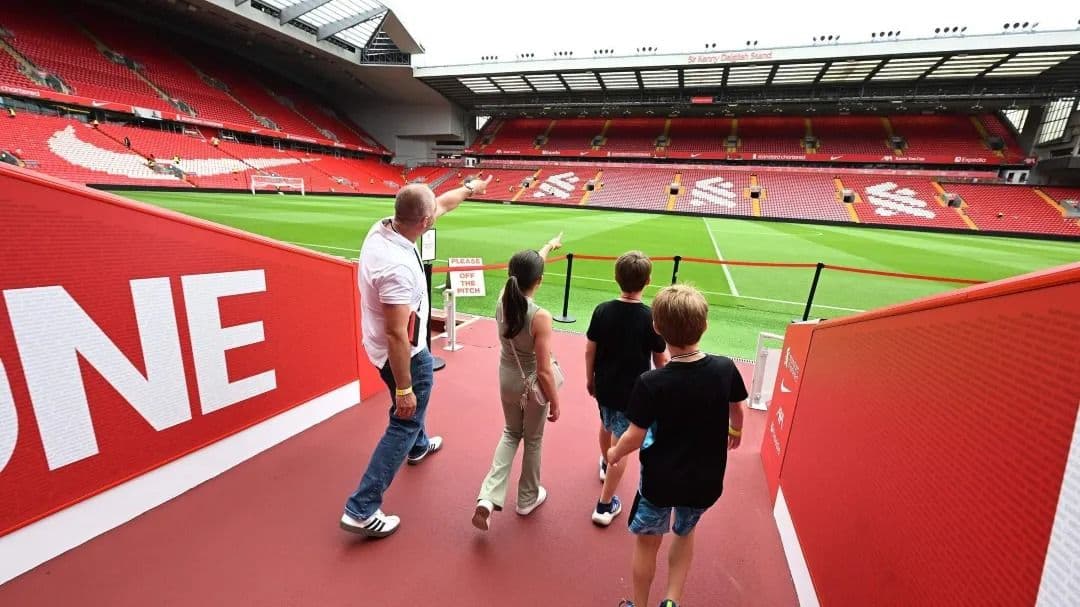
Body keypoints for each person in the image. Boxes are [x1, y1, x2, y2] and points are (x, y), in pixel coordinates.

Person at [340, 175, 492, 539]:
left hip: (380, 345)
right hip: (404, 355)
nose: (437, 214)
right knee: (405, 417)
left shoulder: (383, 229)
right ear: (424, 223)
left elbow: (442, 203)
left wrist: (472, 189)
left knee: (412, 418)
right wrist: (404, 387)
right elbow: (397, 334)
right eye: (432, 214)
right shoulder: (398, 269)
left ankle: (419, 446)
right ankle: (361, 508)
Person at [607, 284, 748, 607]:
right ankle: (671, 601)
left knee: (647, 543)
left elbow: (635, 436)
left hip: (659, 482)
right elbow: (738, 408)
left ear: (657, 328)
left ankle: (640, 604)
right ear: (705, 325)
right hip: (704, 481)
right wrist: (735, 432)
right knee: (684, 534)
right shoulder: (725, 368)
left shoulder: (651, 383)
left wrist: (614, 453)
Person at [472, 235, 564, 532]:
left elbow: (528, 268)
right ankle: (527, 498)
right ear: (539, 280)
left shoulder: (503, 299)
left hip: (507, 377)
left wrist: (548, 247)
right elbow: (544, 370)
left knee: (511, 433)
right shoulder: (540, 317)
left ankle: (488, 496)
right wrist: (556, 402)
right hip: (532, 385)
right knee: (533, 439)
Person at [586, 251, 668, 527]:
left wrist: (590, 378)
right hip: (633, 393)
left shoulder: (601, 310)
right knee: (620, 446)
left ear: (616, 278)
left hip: (605, 386)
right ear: (647, 281)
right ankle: (604, 504)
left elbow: (590, 350)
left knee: (606, 424)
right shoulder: (650, 318)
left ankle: (604, 462)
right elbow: (661, 359)